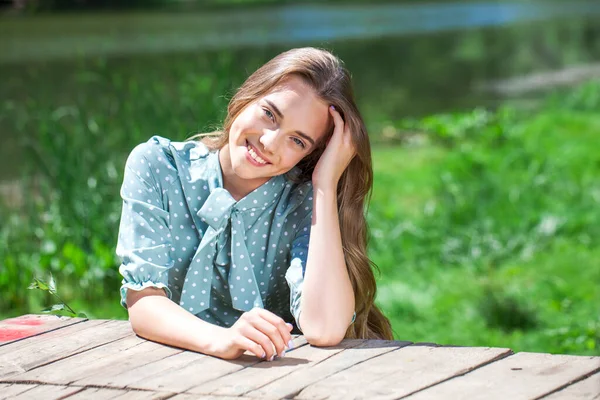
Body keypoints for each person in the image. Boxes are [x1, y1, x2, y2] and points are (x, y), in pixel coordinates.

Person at [116, 47, 393, 362]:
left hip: (280, 377)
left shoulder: (303, 203)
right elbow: (144, 303)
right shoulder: (158, 167)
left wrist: (326, 186)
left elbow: (325, 329)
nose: (269, 142)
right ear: (246, 96)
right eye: (270, 115)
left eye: (298, 141)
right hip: (172, 369)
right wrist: (222, 339)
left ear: (311, 154)